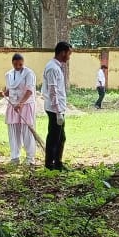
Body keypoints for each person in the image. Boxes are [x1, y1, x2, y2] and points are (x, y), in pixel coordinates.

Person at [2, 54, 38, 165]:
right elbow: (9, 91)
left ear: (23, 63)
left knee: (27, 131)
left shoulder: (29, 74)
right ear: (12, 63)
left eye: (20, 64)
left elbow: (29, 91)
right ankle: (15, 156)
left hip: (26, 105)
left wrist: (21, 104)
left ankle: (30, 157)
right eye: (15, 64)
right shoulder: (8, 74)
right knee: (13, 130)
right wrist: (3, 93)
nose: (18, 66)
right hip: (13, 105)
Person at [42, 42, 71, 170]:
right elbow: (52, 90)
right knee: (54, 137)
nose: (69, 57)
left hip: (58, 108)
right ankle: (49, 165)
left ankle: (58, 163)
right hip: (54, 109)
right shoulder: (52, 68)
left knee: (61, 137)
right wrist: (58, 111)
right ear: (62, 52)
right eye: (69, 53)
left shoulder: (56, 66)